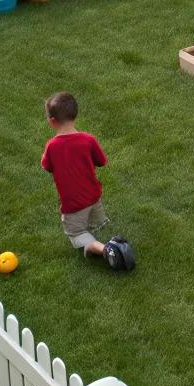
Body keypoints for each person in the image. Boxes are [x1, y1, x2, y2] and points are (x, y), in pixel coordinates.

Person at [41, 91, 132, 268]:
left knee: (77, 236)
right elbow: (102, 161)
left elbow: (46, 166)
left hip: (73, 204)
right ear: (75, 115)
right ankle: (110, 237)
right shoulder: (88, 140)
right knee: (98, 224)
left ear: (52, 121)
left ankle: (104, 249)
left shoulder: (52, 146)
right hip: (94, 196)